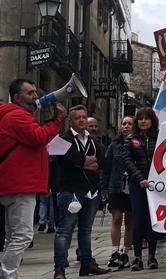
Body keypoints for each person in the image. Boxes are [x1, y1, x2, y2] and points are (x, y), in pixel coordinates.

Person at [0, 79, 65, 279]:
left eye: (35, 91)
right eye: (30, 93)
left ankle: (9, 272)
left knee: (12, 236)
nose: (35, 96)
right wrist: (57, 120)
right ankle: (7, 274)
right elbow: (38, 136)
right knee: (24, 235)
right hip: (21, 183)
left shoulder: (13, 115)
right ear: (17, 97)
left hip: (14, 183)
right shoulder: (17, 116)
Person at [53, 105, 110, 278]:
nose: (82, 120)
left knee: (86, 230)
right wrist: (83, 162)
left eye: (84, 117)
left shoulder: (93, 140)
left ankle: (87, 264)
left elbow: (102, 160)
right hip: (70, 191)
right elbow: (67, 161)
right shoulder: (62, 139)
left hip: (90, 192)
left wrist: (84, 162)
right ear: (71, 121)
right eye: (78, 117)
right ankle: (60, 269)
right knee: (64, 230)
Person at [121, 107, 160, 271]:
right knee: (137, 220)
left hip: (155, 185)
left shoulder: (160, 137)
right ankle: (137, 257)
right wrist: (140, 178)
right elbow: (127, 160)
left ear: (152, 120)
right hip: (137, 185)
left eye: (147, 118)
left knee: (153, 221)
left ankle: (152, 256)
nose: (143, 121)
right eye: (140, 118)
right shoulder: (130, 139)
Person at [100, 116, 134, 270]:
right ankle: (114, 251)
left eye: (129, 124)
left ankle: (125, 251)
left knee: (130, 221)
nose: (126, 126)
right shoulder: (114, 146)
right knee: (116, 218)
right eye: (124, 124)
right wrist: (104, 188)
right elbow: (106, 168)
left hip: (132, 187)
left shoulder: (137, 144)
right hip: (116, 186)